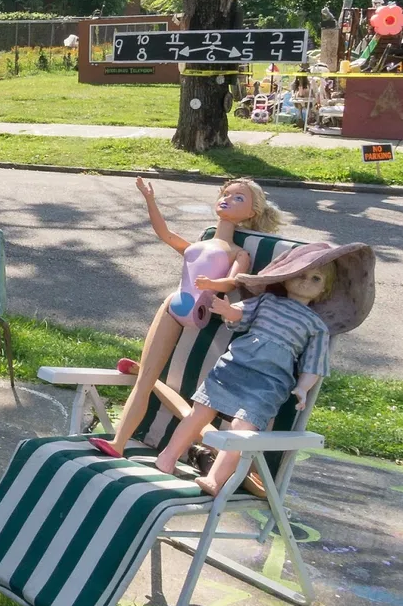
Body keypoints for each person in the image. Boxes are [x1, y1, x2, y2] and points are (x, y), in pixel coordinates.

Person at [152, 241, 375, 495]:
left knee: (242, 430)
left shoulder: (316, 326)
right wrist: (228, 310)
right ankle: (168, 457)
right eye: (300, 275)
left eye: (315, 279)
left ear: (324, 289)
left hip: (268, 383)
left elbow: (313, 363)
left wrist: (303, 387)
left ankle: (215, 479)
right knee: (199, 412)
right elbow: (241, 314)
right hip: (233, 367)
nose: (305, 282)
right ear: (287, 276)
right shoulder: (266, 301)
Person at [92, 176, 280, 458]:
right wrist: (149, 199)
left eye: (238, 198)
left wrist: (213, 285)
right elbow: (165, 233)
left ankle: (180, 447)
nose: (227, 199)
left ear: (252, 213)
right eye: (226, 194)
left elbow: (233, 281)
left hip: (200, 309)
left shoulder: (237, 252)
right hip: (173, 305)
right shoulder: (201, 243)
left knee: (158, 381)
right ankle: (118, 442)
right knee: (146, 379)